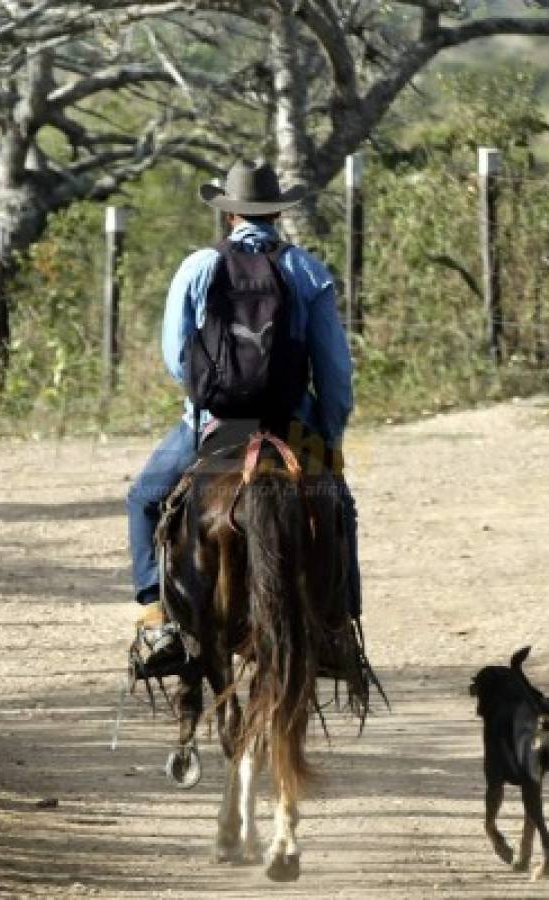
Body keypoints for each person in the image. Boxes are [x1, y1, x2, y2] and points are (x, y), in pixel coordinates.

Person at [125, 159, 361, 669]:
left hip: (214, 423)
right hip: (291, 423)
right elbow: (335, 374)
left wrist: (209, 400)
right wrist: (329, 434)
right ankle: (339, 628)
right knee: (339, 507)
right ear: (277, 211)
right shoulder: (307, 271)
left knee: (144, 499)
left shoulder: (197, 266)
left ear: (229, 215)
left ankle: (157, 616)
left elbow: (175, 356)